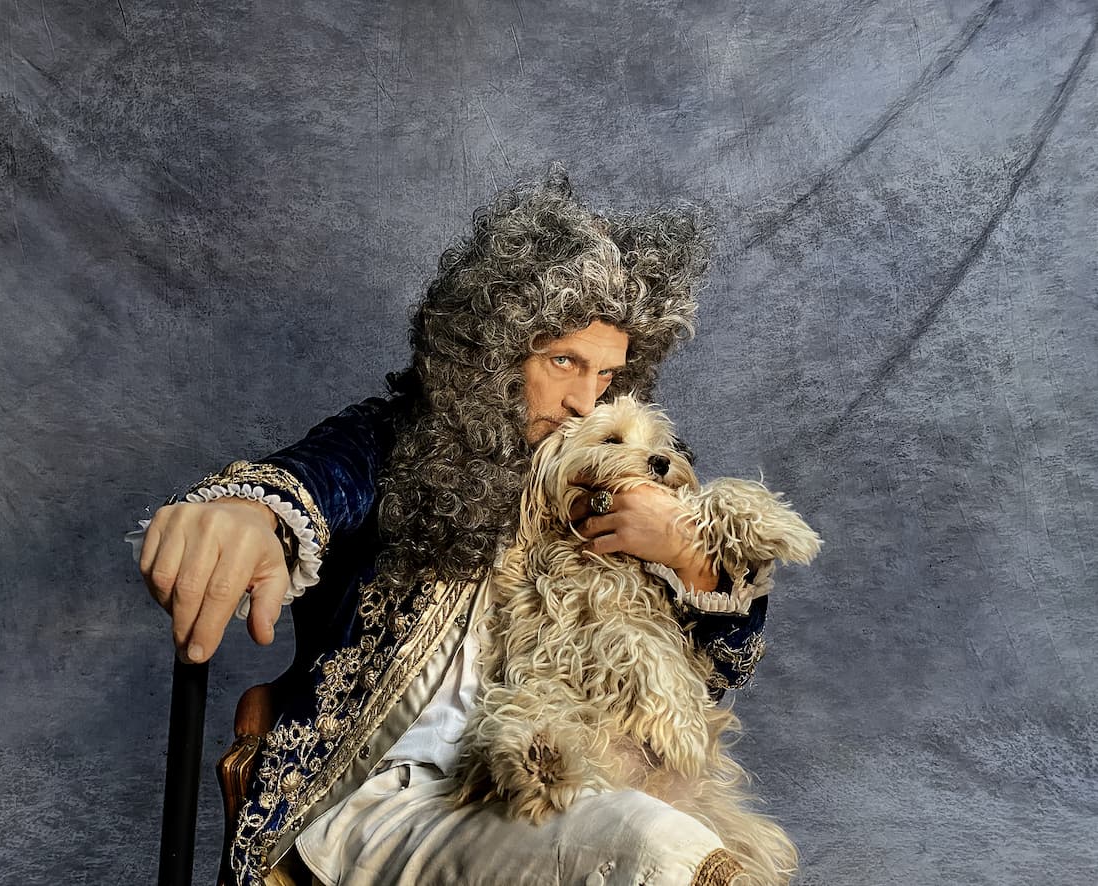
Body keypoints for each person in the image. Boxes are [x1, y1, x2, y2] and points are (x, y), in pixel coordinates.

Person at [133, 168, 776, 886]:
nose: (584, 401)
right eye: (564, 360)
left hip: (574, 782)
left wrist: (690, 554)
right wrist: (247, 514)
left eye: (607, 375)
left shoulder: (625, 473)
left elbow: (716, 675)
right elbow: (318, 478)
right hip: (394, 798)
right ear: (493, 352)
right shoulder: (402, 440)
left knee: (698, 847)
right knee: (661, 851)